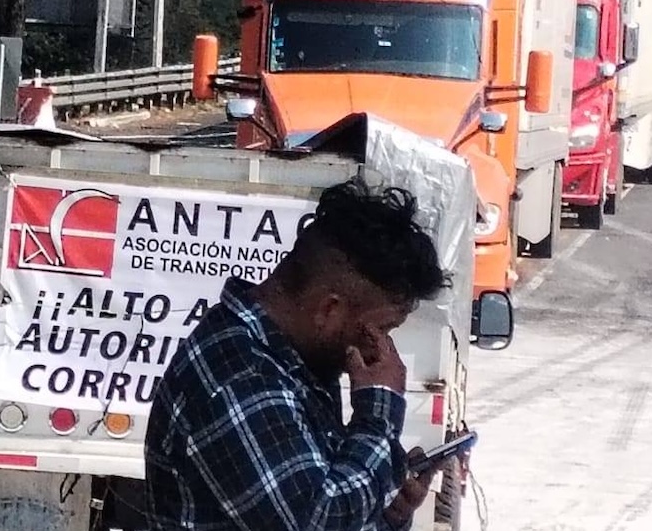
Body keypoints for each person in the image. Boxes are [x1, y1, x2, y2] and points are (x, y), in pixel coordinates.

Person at [144, 176, 453, 531]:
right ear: (329, 310)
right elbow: (316, 520)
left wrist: (386, 512)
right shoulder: (240, 378)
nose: (382, 349)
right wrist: (378, 415)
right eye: (380, 329)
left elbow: (322, 496)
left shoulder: (295, 361)